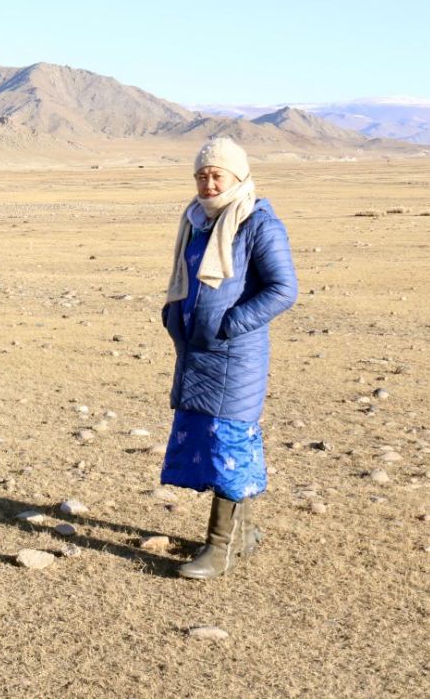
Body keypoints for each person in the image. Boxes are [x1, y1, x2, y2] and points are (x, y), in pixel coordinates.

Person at [160, 137, 298, 579]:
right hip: (198, 354)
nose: (208, 182)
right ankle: (244, 534)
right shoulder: (197, 221)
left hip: (234, 355)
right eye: (201, 175)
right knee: (209, 437)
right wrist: (174, 314)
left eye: (216, 174)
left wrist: (229, 324)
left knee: (229, 444)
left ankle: (219, 548)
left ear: (237, 177)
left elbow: (283, 289)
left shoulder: (258, 223)